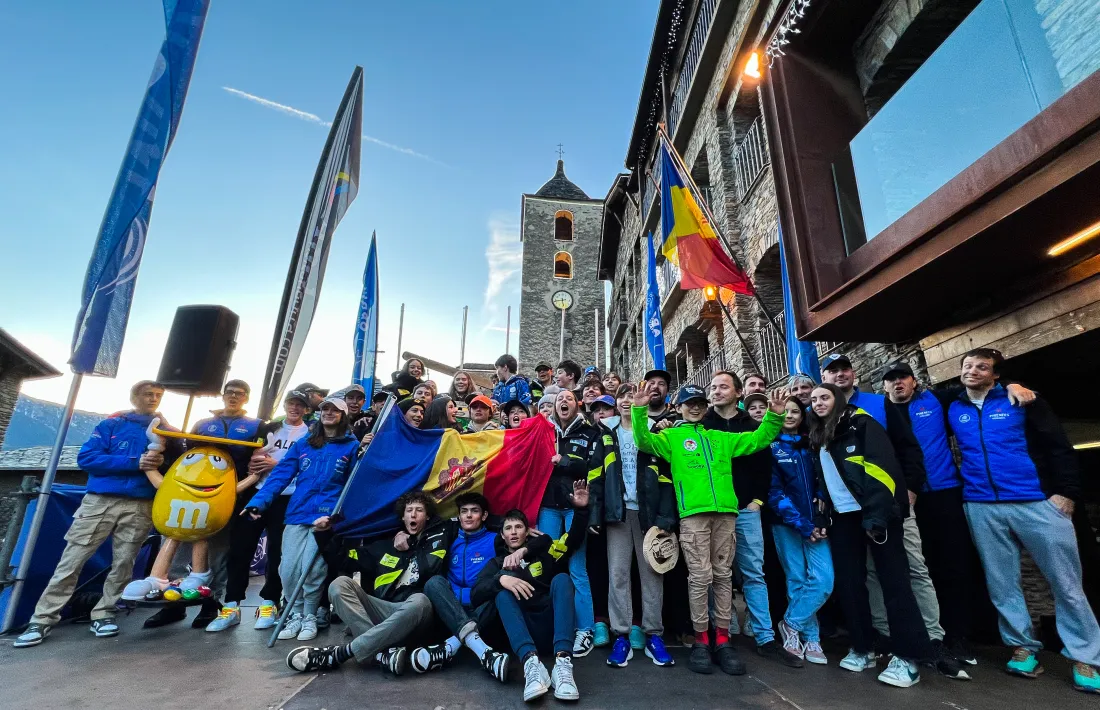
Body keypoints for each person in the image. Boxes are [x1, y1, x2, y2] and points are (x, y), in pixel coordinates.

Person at [947, 349, 1100, 694]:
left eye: (981, 367)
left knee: (1065, 581)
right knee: (1002, 582)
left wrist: (1066, 492)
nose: (972, 371)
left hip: (1035, 501)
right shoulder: (953, 406)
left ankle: (1086, 656)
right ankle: (1023, 647)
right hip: (982, 504)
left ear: (996, 374)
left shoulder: (1024, 400)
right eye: (967, 366)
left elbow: (1058, 446)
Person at [632, 381, 786, 676]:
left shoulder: (721, 437)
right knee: (700, 577)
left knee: (723, 577)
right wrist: (639, 410)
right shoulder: (670, 437)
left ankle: (723, 640)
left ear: (706, 408)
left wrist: (774, 416)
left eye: (700, 403)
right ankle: (702, 640)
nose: (695, 407)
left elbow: (758, 441)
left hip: (727, 515)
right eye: (689, 402)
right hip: (693, 516)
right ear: (678, 407)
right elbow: (643, 441)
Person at [15, 381, 181, 648]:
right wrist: (134, 462)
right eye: (148, 394)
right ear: (134, 396)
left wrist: (172, 445)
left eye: (158, 395)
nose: (153, 399)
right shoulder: (111, 425)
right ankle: (42, 619)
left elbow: (177, 465)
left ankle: (105, 613)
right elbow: (87, 458)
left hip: (140, 503)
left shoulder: (166, 431)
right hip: (100, 501)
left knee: (124, 563)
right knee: (73, 559)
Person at [807, 383, 933, 688]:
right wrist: (824, 515)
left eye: (824, 397)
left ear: (837, 399)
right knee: (850, 583)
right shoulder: (820, 436)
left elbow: (882, 469)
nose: (818, 403)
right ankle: (864, 647)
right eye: (813, 400)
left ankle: (910, 657)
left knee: (895, 582)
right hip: (843, 519)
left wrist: (876, 515)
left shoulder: (862, 424)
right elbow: (826, 484)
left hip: (876, 513)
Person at [881, 361, 992, 675]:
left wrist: (1010, 385)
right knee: (918, 567)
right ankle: (929, 633)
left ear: (914, 382)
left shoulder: (936, 401)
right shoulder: (881, 413)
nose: (898, 383)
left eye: (903, 377)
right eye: (891, 380)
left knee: (954, 566)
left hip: (943, 492)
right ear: (884, 386)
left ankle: (958, 636)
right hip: (904, 499)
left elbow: (979, 386)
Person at [143, 378, 263, 630]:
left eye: (239, 393)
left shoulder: (255, 425)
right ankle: (172, 604)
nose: (233, 396)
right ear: (223, 395)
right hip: (190, 495)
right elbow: (185, 454)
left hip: (230, 496)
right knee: (177, 548)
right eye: (229, 392)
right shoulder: (203, 424)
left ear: (246, 398)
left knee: (219, 553)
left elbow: (262, 456)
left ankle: (212, 605)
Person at [701, 372, 801, 667]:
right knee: (715, 576)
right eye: (713, 387)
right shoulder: (701, 426)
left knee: (753, 573)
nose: (716, 391)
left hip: (746, 509)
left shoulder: (754, 426)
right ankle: (720, 634)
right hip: (714, 511)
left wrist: (757, 501)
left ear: (737, 392)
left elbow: (764, 468)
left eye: (722, 386)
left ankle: (765, 637)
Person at [284, 492, 443, 675]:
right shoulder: (382, 546)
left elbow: (453, 525)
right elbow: (343, 560)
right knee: (339, 584)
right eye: (409, 511)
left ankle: (339, 653)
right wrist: (324, 534)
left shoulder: (438, 541)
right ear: (402, 517)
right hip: (384, 612)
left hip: (416, 617)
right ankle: (379, 654)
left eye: (419, 510)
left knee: (420, 601)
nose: (413, 515)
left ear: (428, 516)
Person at [243, 397, 358, 643]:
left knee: (313, 569)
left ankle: (309, 615)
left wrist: (336, 517)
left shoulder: (351, 446)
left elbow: (353, 487)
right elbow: (280, 475)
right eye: (324, 409)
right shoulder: (304, 443)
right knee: (288, 569)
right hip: (297, 513)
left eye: (334, 410)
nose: (328, 413)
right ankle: (293, 614)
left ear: (343, 415)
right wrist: (258, 501)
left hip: (326, 517)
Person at [471, 480, 591, 702]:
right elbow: (475, 594)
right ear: (503, 536)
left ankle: (563, 664)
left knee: (563, 579)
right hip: (522, 636)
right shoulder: (496, 564)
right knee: (501, 592)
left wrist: (581, 510)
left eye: (518, 527)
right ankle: (532, 666)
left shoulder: (545, 553)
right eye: (508, 528)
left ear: (528, 532)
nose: (514, 532)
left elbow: (572, 540)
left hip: (552, 631)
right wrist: (501, 580)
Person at [207, 390, 312, 633]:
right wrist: (254, 465)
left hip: (288, 497)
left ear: (306, 409)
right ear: (285, 405)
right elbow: (250, 455)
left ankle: (269, 603)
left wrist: (277, 464)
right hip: (258, 492)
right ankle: (231, 605)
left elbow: (310, 464)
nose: (294, 408)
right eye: (291, 403)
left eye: (300, 405)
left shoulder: (311, 433)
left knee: (277, 551)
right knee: (240, 548)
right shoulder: (267, 427)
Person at [590, 383, 676, 668]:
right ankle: (622, 635)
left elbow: (666, 477)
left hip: (648, 515)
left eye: (631, 396)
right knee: (618, 574)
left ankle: (653, 634)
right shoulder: (606, 433)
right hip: (618, 513)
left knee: (652, 573)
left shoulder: (655, 430)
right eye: (622, 397)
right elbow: (596, 476)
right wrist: (594, 515)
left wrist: (665, 517)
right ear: (616, 403)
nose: (627, 401)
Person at [413, 492, 510, 682]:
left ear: (484, 516)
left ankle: (448, 648)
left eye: (474, 511)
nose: (468, 516)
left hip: (481, 607)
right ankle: (483, 652)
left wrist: (520, 526)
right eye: (464, 511)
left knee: (500, 590)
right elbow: (426, 526)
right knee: (433, 583)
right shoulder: (449, 537)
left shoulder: (496, 539)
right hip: (451, 609)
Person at [767, 397, 832, 666]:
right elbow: (774, 492)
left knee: (823, 579)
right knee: (796, 578)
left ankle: (791, 624)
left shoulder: (814, 445)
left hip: (816, 523)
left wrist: (819, 517)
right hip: (787, 524)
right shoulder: (771, 447)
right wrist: (802, 524)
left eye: (796, 411)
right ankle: (810, 637)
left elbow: (823, 481)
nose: (790, 415)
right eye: (786, 411)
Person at [541, 388, 602, 657]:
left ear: (577, 405)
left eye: (568, 398)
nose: (563, 402)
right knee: (548, 568)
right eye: (558, 400)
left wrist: (564, 461)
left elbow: (593, 467)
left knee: (578, 569)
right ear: (552, 407)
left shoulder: (590, 432)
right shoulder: (543, 432)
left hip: (575, 510)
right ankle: (554, 626)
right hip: (548, 509)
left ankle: (585, 629)